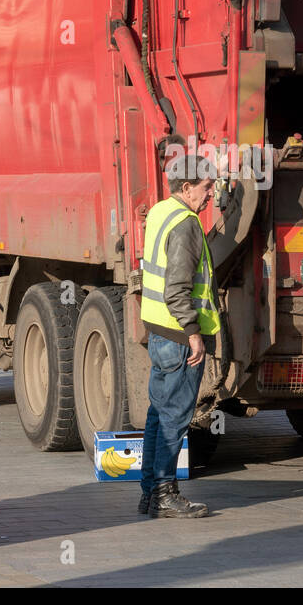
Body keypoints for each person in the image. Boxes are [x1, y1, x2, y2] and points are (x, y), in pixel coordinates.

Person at [137, 135, 219, 520]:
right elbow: (178, 288)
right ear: (186, 187)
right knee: (175, 418)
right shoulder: (186, 224)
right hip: (177, 337)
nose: (211, 196)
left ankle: (151, 492)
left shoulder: (159, 212)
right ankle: (166, 494)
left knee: (158, 413)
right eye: (207, 187)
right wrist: (194, 334)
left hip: (158, 332)